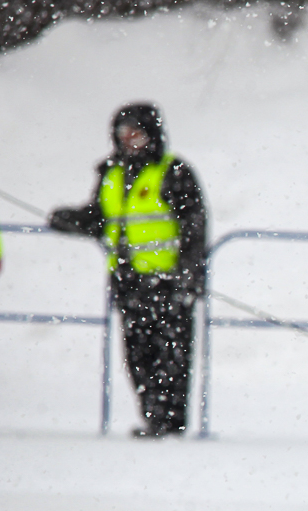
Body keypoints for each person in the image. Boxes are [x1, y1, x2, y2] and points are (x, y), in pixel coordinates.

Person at [48, 104, 206, 437]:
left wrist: (188, 274)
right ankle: (153, 416)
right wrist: (71, 220)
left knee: (172, 356)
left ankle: (169, 421)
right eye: (123, 133)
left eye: (136, 132)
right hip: (128, 282)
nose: (129, 139)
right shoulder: (111, 173)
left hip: (167, 284)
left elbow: (194, 227)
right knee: (138, 356)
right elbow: (101, 218)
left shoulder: (173, 171)